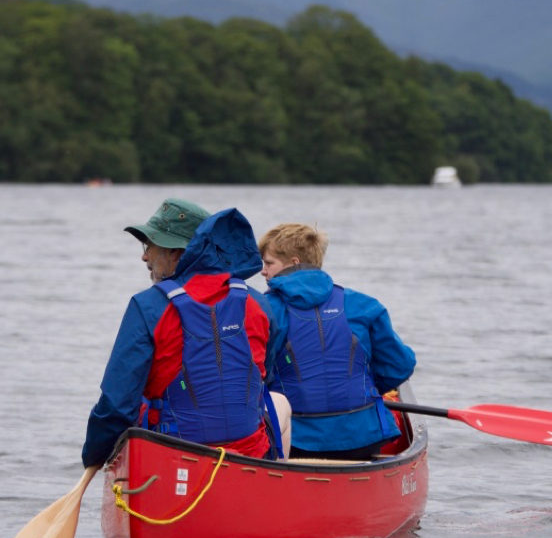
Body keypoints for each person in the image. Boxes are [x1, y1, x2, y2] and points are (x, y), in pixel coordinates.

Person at [81, 198, 290, 469]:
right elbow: (265, 376)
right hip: (251, 456)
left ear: (178, 254)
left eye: (151, 246)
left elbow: (116, 405)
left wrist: (95, 458)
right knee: (275, 401)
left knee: (141, 403)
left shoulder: (148, 306)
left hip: (172, 460)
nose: (144, 256)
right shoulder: (258, 303)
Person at [259, 222, 416, 461]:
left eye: (268, 263)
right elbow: (399, 367)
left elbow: (254, 375)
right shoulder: (364, 305)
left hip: (296, 441)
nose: (262, 271)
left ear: (293, 262)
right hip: (362, 438)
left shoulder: (262, 310)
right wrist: (366, 389)